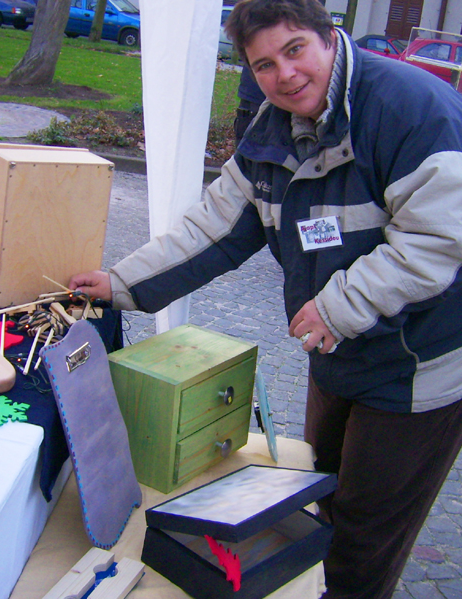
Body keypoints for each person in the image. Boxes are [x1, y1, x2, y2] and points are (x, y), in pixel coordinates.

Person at [69, 0, 462, 597]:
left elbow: (440, 238)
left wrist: (338, 306)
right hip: (337, 355)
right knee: (321, 494)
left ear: (329, 37)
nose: (283, 75)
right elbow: (213, 228)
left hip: (419, 368)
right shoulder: (271, 128)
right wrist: (123, 283)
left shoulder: (409, 107)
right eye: (263, 64)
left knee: (365, 536)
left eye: (295, 50)